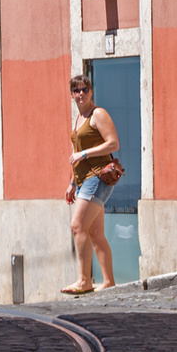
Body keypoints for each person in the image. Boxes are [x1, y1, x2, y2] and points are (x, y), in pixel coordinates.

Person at [61, 74, 118, 294]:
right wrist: (72, 183)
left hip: (97, 177)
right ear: (72, 94)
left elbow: (113, 143)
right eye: (77, 90)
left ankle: (84, 280)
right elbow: (75, 155)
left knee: (77, 225)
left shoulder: (98, 114)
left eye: (85, 89)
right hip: (84, 180)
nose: (81, 93)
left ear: (91, 91)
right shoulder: (79, 118)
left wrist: (84, 153)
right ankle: (109, 281)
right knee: (95, 232)